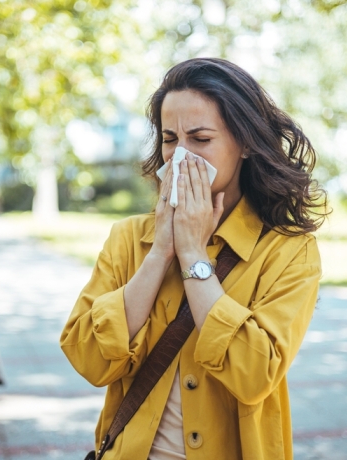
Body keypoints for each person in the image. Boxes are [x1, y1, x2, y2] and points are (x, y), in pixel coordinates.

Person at [60, 58, 327, 460]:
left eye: (200, 139)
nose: (180, 157)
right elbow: (88, 358)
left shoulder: (288, 251)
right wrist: (161, 251)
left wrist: (192, 253)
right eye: (170, 139)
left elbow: (256, 375)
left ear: (246, 144)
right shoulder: (129, 238)